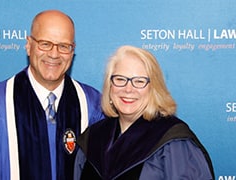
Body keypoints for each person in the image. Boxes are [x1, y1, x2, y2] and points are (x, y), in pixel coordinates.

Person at [0, 10, 104, 180]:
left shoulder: (91, 104)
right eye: (45, 44)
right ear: (28, 45)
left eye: (64, 46)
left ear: (72, 51)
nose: (54, 54)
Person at [74, 45, 215, 179]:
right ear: (110, 86)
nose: (128, 89)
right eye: (120, 79)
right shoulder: (92, 138)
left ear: (154, 88)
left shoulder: (172, 143)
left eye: (139, 81)